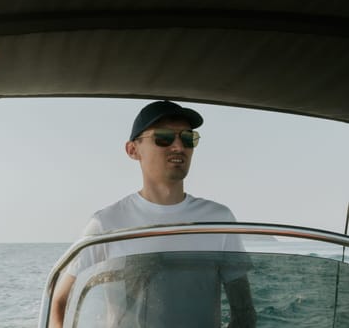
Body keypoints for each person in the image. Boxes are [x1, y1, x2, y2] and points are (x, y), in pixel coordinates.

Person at [49, 100, 256, 328]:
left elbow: (244, 312)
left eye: (188, 138)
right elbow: (60, 303)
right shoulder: (106, 223)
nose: (178, 146)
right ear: (132, 150)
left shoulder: (219, 219)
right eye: (164, 137)